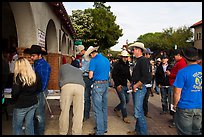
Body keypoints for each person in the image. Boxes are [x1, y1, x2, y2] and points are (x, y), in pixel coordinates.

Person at [173, 47, 202, 135]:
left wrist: (175, 104)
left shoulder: (182, 72)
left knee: (184, 132)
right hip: (199, 105)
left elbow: (177, 91)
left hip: (185, 106)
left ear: (185, 57)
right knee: (197, 132)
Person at [24, 45, 51, 135]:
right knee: (34, 114)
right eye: (31, 55)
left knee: (39, 115)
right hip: (35, 92)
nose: (31, 57)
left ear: (39, 55)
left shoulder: (44, 65)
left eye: (33, 55)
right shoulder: (35, 63)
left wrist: (35, 91)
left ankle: (39, 133)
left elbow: (44, 82)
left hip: (40, 92)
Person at [11, 58, 42, 135]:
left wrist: (13, 101)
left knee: (17, 126)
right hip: (33, 102)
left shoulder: (18, 77)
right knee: (29, 124)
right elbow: (39, 88)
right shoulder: (35, 75)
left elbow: (15, 92)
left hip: (21, 104)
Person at [86, 46, 110, 135]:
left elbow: (90, 76)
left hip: (97, 85)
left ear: (92, 53)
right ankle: (104, 127)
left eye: (90, 55)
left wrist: (89, 73)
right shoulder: (106, 59)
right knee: (104, 107)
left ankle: (99, 131)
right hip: (106, 84)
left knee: (97, 109)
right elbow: (108, 74)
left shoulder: (94, 60)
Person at [127, 42, 150, 135]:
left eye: (135, 49)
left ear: (139, 50)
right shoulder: (139, 60)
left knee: (138, 112)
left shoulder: (143, 60)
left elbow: (145, 77)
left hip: (139, 88)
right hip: (137, 87)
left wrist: (136, 85)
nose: (133, 51)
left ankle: (143, 132)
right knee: (138, 110)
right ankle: (138, 131)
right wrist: (132, 84)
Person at [58, 58, 85, 135]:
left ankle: (63, 132)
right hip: (80, 87)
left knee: (65, 110)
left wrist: (61, 91)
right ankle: (77, 132)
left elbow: (59, 80)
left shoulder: (63, 67)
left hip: (67, 86)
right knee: (78, 112)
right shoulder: (79, 70)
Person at [165, 49, 187, 128]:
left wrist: (170, 74)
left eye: (175, 55)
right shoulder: (178, 63)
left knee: (174, 102)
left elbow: (179, 75)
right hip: (173, 83)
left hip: (175, 85)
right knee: (172, 102)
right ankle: (174, 119)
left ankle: (176, 120)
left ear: (178, 55)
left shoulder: (181, 63)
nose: (174, 57)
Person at [111, 50, 132, 123]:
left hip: (125, 85)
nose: (125, 58)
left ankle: (117, 108)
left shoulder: (127, 64)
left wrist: (131, 81)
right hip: (119, 85)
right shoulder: (117, 64)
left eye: (126, 57)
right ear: (121, 57)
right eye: (124, 57)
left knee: (127, 100)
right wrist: (117, 84)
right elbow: (114, 75)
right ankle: (125, 116)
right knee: (123, 101)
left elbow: (128, 74)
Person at [76, 45, 92, 122]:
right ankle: (86, 114)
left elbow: (84, 69)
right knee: (86, 96)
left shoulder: (86, 57)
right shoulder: (85, 57)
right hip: (86, 77)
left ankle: (85, 115)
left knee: (86, 97)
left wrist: (75, 70)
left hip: (86, 78)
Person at [143, 48, 154, 118]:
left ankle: (145, 111)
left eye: (150, 54)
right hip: (143, 83)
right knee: (143, 99)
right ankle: (143, 111)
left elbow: (150, 73)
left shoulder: (149, 63)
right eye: (148, 54)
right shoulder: (143, 62)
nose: (149, 55)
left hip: (148, 84)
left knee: (146, 99)